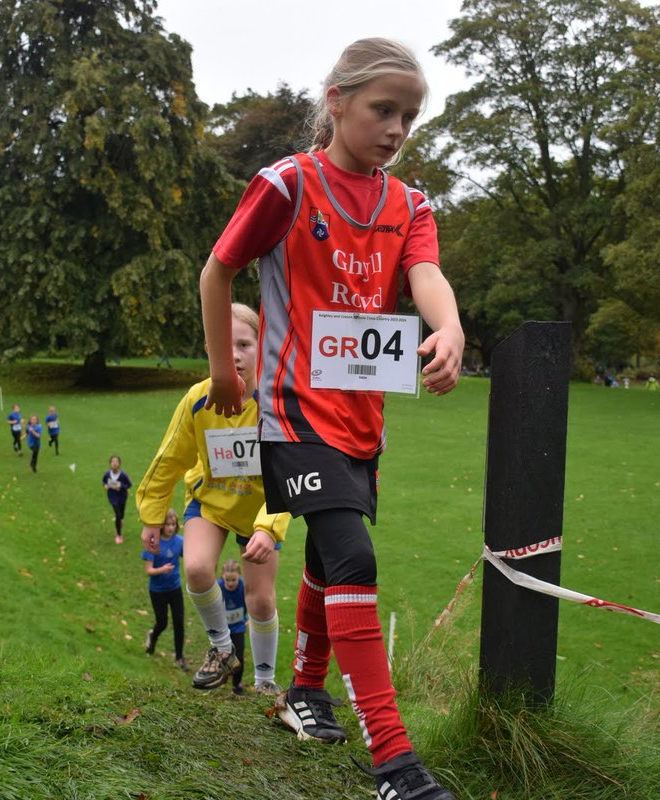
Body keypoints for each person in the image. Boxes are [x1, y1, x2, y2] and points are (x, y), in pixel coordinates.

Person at [197, 38, 462, 800]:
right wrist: (223, 369)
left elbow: (426, 274)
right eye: (384, 109)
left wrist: (448, 329)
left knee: (326, 552)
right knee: (353, 556)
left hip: (362, 417)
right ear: (336, 99)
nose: (397, 128)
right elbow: (219, 267)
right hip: (289, 414)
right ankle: (395, 762)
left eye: (409, 116)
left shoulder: (409, 204)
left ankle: (306, 688)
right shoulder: (286, 185)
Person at [137, 303, 290, 697]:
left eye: (244, 344)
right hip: (211, 502)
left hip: (262, 509)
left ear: (263, 346)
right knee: (198, 569)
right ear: (209, 349)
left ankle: (265, 680)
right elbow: (169, 459)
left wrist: (268, 528)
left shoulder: (277, 402)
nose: (234, 355)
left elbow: (290, 470)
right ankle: (223, 650)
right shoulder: (197, 399)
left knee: (260, 600)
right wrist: (153, 515)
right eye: (224, 346)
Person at [142, 508, 187, 671]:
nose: (170, 527)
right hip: (157, 590)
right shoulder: (154, 542)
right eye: (167, 524)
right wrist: (162, 569)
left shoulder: (180, 541)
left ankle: (179, 657)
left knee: (179, 622)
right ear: (161, 525)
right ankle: (152, 636)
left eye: (173, 524)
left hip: (175, 588)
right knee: (162, 622)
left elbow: (187, 556)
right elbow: (149, 570)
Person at [219, 558, 249, 696]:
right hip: (222, 629)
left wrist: (249, 619)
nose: (230, 583)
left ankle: (237, 685)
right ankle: (221, 676)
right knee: (223, 655)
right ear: (222, 577)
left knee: (239, 657)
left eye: (234, 580)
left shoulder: (244, 587)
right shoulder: (217, 587)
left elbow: (251, 603)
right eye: (227, 580)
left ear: (239, 577)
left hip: (238, 627)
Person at [103, 456, 133, 544]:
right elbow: (104, 481)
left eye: (116, 461)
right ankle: (119, 535)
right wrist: (105, 485)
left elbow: (129, 485)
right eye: (112, 462)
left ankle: (121, 519)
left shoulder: (123, 475)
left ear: (119, 464)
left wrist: (121, 486)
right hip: (113, 497)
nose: (114, 463)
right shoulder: (107, 474)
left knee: (121, 514)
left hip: (122, 497)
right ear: (110, 464)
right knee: (118, 514)